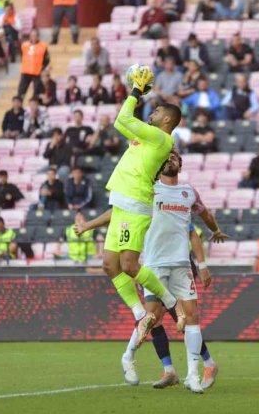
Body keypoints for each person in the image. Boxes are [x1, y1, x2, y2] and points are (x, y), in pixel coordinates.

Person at [78, 150, 224, 389]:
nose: (170, 159)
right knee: (153, 319)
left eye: (175, 157)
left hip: (179, 264)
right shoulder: (147, 190)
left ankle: (199, 367)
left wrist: (206, 258)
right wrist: (88, 226)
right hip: (152, 265)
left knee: (185, 317)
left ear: (180, 163)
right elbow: (117, 211)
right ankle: (169, 369)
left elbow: (196, 226)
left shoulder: (188, 192)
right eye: (166, 158)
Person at [97, 65, 183, 337]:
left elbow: (124, 116)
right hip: (121, 202)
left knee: (129, 266)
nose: (152, 113)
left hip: (135, 204)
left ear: (167, 121)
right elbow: (120, 122)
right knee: (110, 265)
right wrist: (140, 95)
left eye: (157, 112)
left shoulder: (160, 138)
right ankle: (138, 313)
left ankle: (170, 302)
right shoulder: (146, 138)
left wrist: (136, 91)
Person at [18, 28, 48, 99]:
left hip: (37, 72)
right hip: (25, 72)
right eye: (32, 35)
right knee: (21, 92)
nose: (33, 37)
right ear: (30, 36)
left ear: (38, 36)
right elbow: (22, 55)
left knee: (36, 92)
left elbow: (47, 60)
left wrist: (42, 68)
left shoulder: (43, 46)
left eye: (35, 36)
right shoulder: (24, 45)